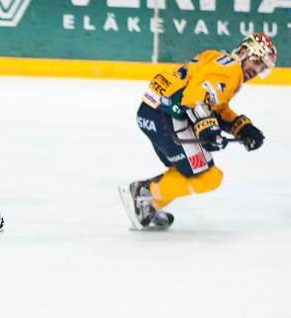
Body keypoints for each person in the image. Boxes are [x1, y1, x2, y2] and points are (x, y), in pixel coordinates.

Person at [118, 32, 277, 230]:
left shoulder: (220, 59)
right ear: (244, 51)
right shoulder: (231, 69)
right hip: (167, 117)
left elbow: (215, 107)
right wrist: (208, 129)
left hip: (151, 111)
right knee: (209, 177)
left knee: (183, 172)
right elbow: (194, 96)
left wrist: (241, 127)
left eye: (262, 68)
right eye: (257, 62)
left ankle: (148, 207)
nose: (257, 70)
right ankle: (143, 193)